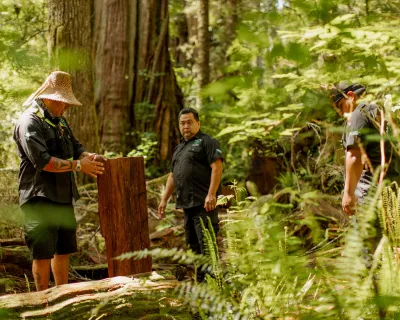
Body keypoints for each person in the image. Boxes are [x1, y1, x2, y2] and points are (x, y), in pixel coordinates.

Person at [14, 71, 106, 291]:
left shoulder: (60, 121)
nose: (66, 107)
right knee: (43, 252)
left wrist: (87, 156)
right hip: (39, 197)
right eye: (62, 103)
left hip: (63, 196)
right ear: (49, 97)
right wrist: (77, 165)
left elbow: (75, 147)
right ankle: (44, 303)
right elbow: (42, 161)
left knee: (63, 249)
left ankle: (62, 298)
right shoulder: (29, 122)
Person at [158, 107, 223, 280]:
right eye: (182, 123)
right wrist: (164, 199)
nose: (186, 126)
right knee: (194, 248)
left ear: (198, 123)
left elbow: (217, 167)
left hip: (204, 205)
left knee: (207, 247)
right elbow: (172, 175)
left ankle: (214, 288)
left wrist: (212, 194)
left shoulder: (207, 142)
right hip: (187, 206)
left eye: (189, 122)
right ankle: (202, 286)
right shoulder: (179, 149)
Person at [331, 82, 397, 215]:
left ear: (350, 96)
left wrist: (349, 194)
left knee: (370, 235)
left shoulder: (358, 114)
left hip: (369, 196)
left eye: (340, 106)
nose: (340, 113)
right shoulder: (380, 111)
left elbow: (355, 154)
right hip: (393, 192)